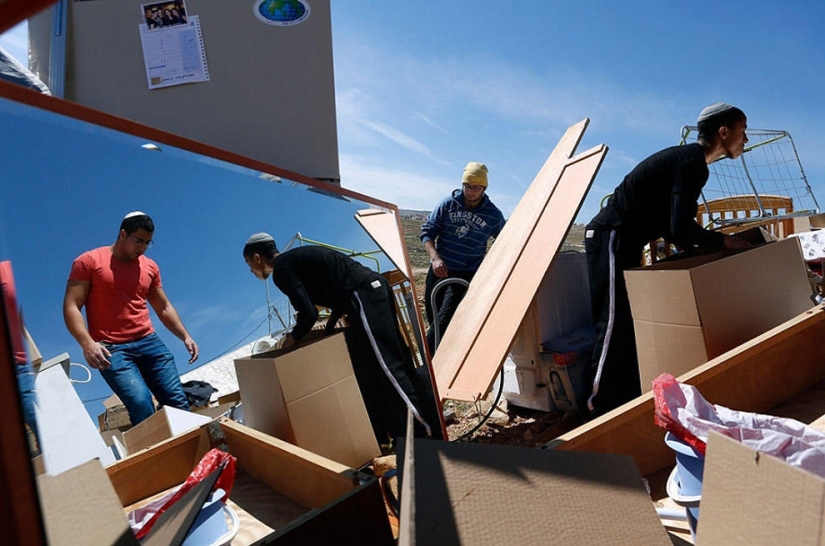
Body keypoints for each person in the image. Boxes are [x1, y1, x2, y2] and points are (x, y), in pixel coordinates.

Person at [583, 102, 752, 417]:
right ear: (724, 132)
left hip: (623, 241)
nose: (745, 141)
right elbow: (679, 227)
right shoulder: (692, 165)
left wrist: (701, 249)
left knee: (625, 325)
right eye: (742, 132)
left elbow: (671, 225)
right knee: (612, 324)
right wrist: (723, 241)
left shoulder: (688, 163)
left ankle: (619, 400)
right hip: (611, 237)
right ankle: (595, 407)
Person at [242, 233, 443, 443]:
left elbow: (309, 313)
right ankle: (417, 426)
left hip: (362, 294)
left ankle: (424, 434)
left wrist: (292, 339)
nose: (252, 271)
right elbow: (325, 295)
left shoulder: (281, 269)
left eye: (250, 265)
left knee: (388, 367)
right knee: (387, 365)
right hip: (369, 292)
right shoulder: (293, 262)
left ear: (258, 258)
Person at [63, 211, 198, 426]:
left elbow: (163, 307)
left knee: (177, 401)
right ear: (123, 234)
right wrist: (87, 343)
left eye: (147, 243)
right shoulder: (88, 261)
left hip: (149, 342)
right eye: (138, 241)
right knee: (141, 403)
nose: (142, 247)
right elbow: (71, 306)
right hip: (113, 350)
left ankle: (201, 457)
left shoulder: (150, 266)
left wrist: (185, 336)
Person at [419, 161, 505, 354]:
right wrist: (435, 258)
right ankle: (441, 363)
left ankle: (426, 369)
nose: (471, 191)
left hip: (465, 275)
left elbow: (505, 241)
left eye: (476, 187)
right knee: (434, 319)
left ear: (484, 188)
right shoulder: (447, 205)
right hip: (439, 270)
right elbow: (427, 233)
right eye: (467, 186)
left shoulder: (493, 214)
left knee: (445, 320)